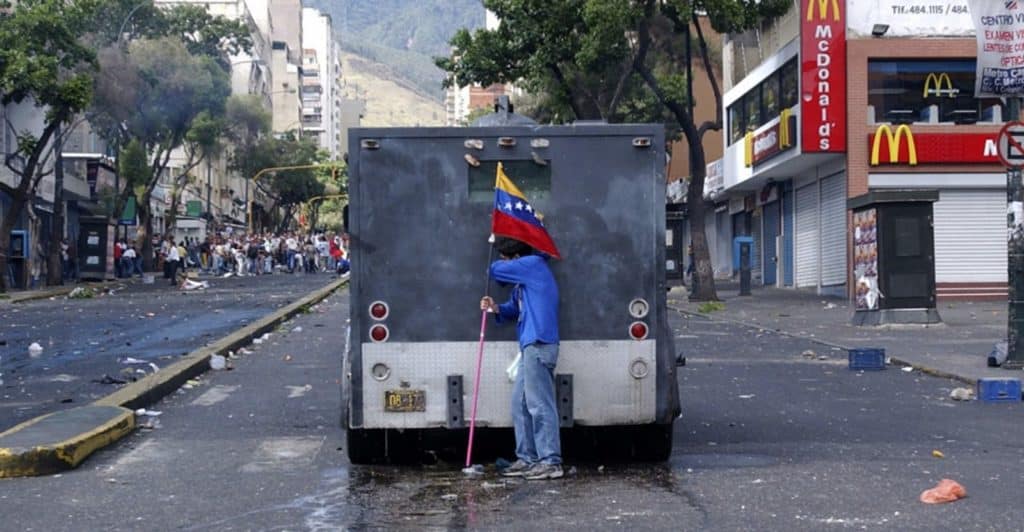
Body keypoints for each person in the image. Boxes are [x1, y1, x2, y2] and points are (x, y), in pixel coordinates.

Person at [479, 236, 562, 480]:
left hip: (539, 343)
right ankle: (528, 457)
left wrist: (493, 244)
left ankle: (550, 461)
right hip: (532, 345)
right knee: (522, 403)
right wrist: (496, 308)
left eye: (507, 259)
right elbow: (513, 309)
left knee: (539, 404)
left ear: (517, 259)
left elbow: (493, 270)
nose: (504, 265)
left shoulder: (533, 265)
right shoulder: (525, 282)